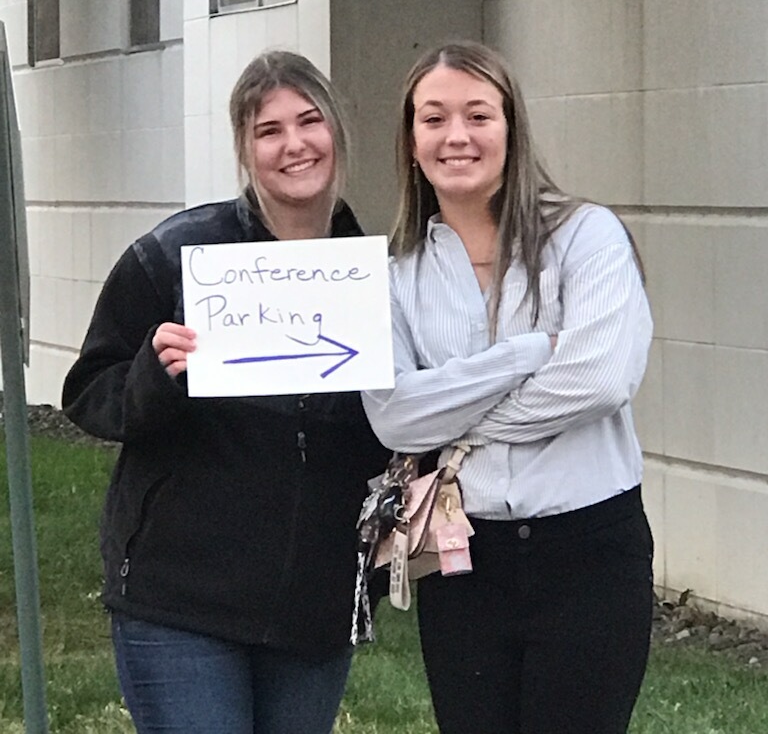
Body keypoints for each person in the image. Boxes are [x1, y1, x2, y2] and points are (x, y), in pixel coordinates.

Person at [62, 50, 389, 734]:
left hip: (313, 609)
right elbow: (90, 391)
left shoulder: (378, 277)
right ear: (244, 150)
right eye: (269, 130)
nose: (294, 144)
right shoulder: (174, 256)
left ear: (337, 131)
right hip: (181, 605)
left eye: (309, 121)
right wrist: (155, 377)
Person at [362, 41, 654, 734]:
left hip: (591, 552)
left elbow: (599, 381)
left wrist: (456, 424)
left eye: (477, 115)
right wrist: (527, 354)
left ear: (511, 130)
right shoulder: (391, 273)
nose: (455, 136)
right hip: (466, 561)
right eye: (433, 118)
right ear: (410, 140)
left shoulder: (587, 238)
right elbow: (396, 421)